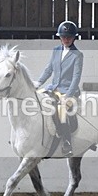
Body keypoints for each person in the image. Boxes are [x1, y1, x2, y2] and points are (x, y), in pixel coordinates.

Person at [35, 21, 83, 156]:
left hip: (68, 90)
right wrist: (38, 83)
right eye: (63, 37)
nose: (66, 39)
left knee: (61, 110)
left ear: (74, 37)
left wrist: (68, 95)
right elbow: (49, 69)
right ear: (60, 37)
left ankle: (67, 142)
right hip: (53, 88)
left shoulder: (77, 55)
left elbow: (76, 77)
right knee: (34, 100)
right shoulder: (56, 51)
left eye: (69, 37)